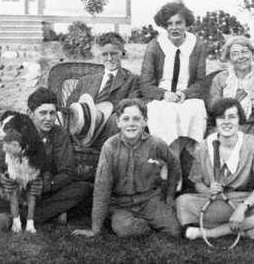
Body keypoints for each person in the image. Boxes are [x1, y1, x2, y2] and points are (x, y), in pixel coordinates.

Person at [0, 87, 92, 229]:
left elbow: (67, 172)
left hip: (46, 194)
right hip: (15, 193)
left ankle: (14, 215)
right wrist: (2, 179)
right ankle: (49, 215)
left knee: (83, 189)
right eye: (43, 113)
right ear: (30, 113)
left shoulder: (59, 134)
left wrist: (47, 185)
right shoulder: (14, 132)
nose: (48, 118)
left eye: (52, 113)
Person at [72, 99, 181, 238]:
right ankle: (139, 224)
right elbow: (102, 187)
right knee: (124, 228)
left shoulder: (156, 143)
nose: (131, 123)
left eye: (136, 119)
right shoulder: (110, 147)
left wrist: (170, 196)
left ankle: (148, 220)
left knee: (175, 230)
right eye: (126, 119)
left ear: (145, 121)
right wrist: (95, 229)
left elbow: (174, 164)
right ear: (118, 122)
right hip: (120, 203)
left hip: (148, 199)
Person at [176, 98, 254, 240]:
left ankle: (209, 233)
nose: (226, 122)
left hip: (243, 200)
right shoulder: (204, 146)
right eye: (221, 118)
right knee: (183, 202)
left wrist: (242, 209)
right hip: (215, 202)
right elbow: (197, 183)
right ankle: (245, 229)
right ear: (215, 122)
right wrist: (208, 190)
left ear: (239, 120)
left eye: (232, 117)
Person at [139, 0, 207, 163]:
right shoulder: (155, 46)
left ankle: (178, 166)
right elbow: (145, 84)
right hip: (161, 98)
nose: (174, 27)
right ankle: (171, 164)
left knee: (195, 109)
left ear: (187, 24)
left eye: (179, 23)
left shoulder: (197, 45)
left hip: (186, 98)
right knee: (164, 112)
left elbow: (200, 81)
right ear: (164, 26)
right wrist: (164, 94)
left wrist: (185, 93)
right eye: (169, 24)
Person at [67, 32, 141, 149]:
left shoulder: (132, 80)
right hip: (82, 131)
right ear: (100, 55)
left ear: (122, 53)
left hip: (109, 132)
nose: (109, 58)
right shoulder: (86, 80)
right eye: (105, 54)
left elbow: (133, 106)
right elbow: (70, 106)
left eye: (114, 54)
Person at [209, 36, 254, 122]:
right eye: (235, 54)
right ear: (229, 58)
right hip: (228, 124)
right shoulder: (221, 78)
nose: (240, 57)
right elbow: (215, 107)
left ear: (252, 53)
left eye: (244, 52)